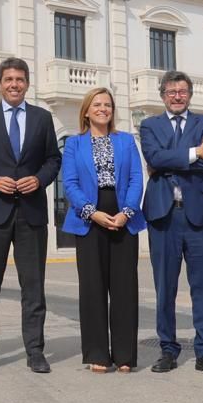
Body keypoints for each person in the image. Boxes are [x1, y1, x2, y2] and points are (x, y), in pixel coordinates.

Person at [0, 57, 61, 374]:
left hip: (31, 215)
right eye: (8, 79)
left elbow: (53, 160)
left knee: (33, 289)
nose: (14, 84)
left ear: (27, 83)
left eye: (19, 79)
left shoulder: (42, 118)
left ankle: (35, 351)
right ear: (0, 83)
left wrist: (40, 179)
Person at [140, 71, 203, 377]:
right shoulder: (149, 125)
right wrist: (192, 152)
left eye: (182, 91)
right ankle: (168, 348)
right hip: (164, 215)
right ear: (162, 94)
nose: (177, 96)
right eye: (171, 91)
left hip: (199, 215)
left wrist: (171, 158)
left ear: (190, 94)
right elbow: (153, 156)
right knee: (165, 286)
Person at [61, 87, 144, 373]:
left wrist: (127, 212)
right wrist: (92, 212)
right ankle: (97, 353)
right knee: (93, 288)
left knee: (124, 289)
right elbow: (69, 183)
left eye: (107, 104)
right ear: (86, 110)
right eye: (96, 104)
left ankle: (124, 356)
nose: (102, 109)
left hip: (122, 216)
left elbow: (136, 178)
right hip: (88, 220)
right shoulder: (73, 143)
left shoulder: (126, 141)